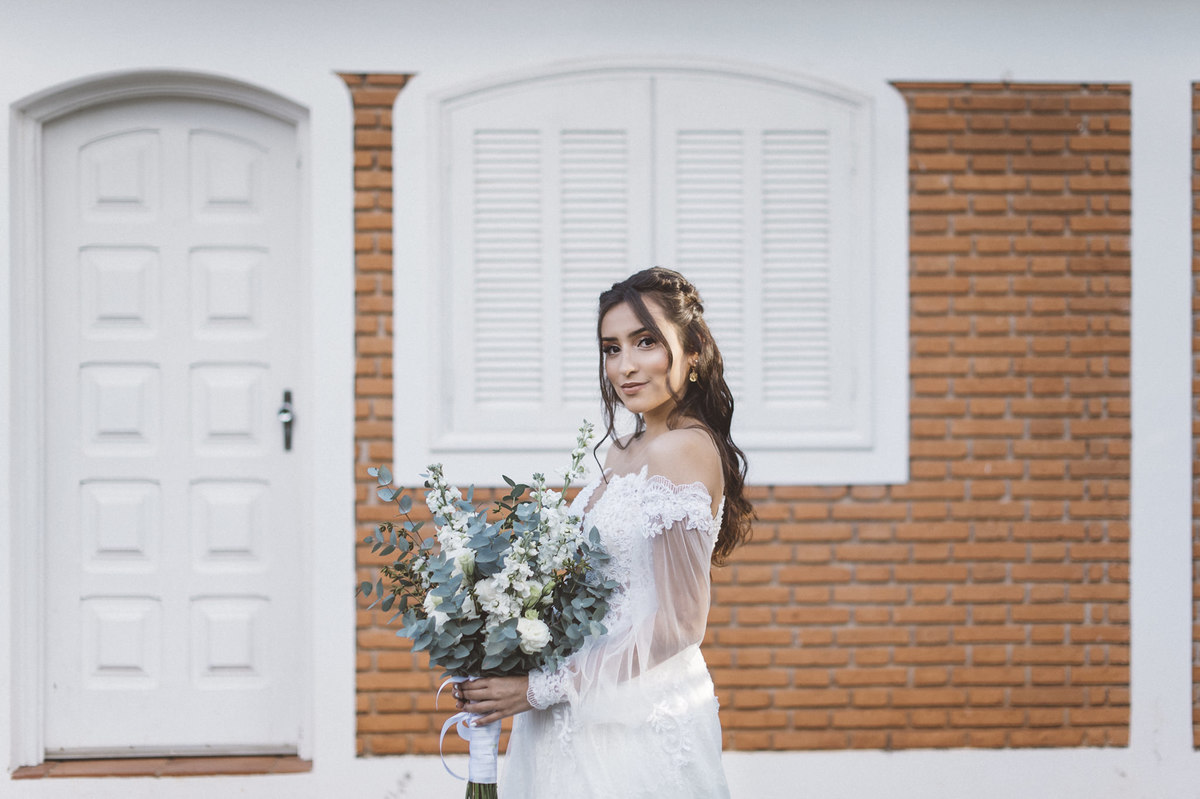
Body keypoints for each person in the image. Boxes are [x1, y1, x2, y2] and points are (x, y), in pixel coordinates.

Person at [453, 267, 754, 797]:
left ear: (692, 351)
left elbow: (681, 623)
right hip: (567, 715)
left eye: (645, 342)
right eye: (611, 348)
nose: (625, 366)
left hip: (628, 726)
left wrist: (538, 688)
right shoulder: (623, 449)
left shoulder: (684, 449)